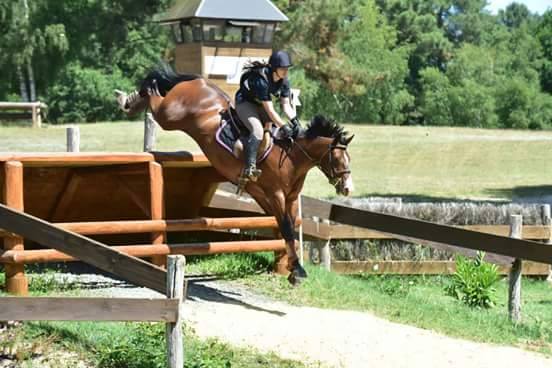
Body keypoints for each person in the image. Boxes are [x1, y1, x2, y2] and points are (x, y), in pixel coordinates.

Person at [235, 50, 300, 183]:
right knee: (258, 130)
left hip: (260, 104)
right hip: (245, 103)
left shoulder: (284, 81)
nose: (286, 72)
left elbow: (286, 105)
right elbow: (270, 111)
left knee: (274, 129)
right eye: (283, 69)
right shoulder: (261, 80)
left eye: (287, 69)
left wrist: (295, 121)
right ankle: (250, 167)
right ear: (274, 68)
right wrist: (284, 126)